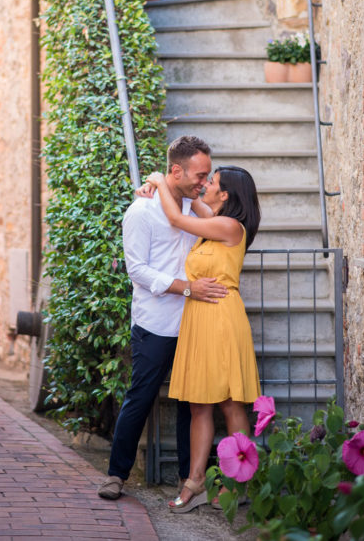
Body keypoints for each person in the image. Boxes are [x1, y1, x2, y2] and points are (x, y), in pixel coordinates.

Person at [98, 135, 229, 501]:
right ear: (176, 170)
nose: (204, 183)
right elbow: (136, 270)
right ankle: (116, 475)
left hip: (195, 322)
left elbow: (222, 223)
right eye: (200, 176)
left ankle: (189, 480)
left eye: (207, 177)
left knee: (193, 403)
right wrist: (187, 288)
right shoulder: (141, 211)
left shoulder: (194, 208)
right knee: (140, 397)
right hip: (155, 323)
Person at [143, 165, 262, 513]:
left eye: (212, 182)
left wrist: (156, 179)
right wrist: (167, 182)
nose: (205, 185)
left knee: (229, 402)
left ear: (225, 195)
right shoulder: (214, 221)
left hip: (222, 319)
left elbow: (177, 219)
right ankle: (195, 481)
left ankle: (242, 481)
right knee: (198, 403)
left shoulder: (229, 226)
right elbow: (192, 203)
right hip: (199, 318)